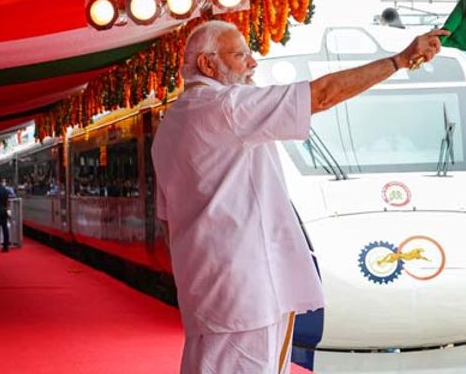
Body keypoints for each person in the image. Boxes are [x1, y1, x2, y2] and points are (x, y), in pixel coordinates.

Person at [151, 20, 447, 373]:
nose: (252, 64)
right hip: (247, 290)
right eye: (240, 55)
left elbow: (167, 222)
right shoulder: (226, 106)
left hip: (209, 286)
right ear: (207, 64)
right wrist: (399, 60)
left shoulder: (169, 127)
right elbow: (322, 95)